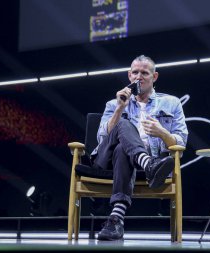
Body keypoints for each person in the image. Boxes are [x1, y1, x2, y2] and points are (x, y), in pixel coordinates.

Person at [76, 55, 188, 240]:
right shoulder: (114, 103)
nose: (139, 77)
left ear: (155, 76)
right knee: (123, 126)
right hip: (108, 162)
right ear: (129, 75)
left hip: (134, 160)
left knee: (123, 149)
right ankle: (149, 165)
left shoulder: (172, 103)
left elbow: (181, 142)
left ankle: (116, 220)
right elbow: (102, 139)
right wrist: (120, 108)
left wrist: (163, 133)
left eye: (144, 73)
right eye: (135, 72)